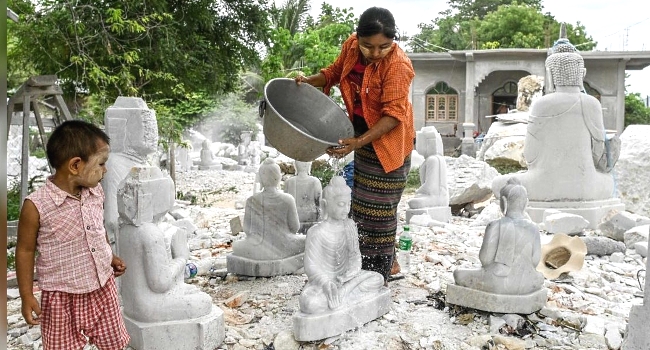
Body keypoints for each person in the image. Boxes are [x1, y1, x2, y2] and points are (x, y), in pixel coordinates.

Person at [296, 6, 415, 281]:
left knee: (380, 212)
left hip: (389, 145)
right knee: (360, 205)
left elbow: (393, 116)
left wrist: (357, 142)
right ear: (357, 38)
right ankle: (368, 266)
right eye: (368, 46)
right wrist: (307, 81)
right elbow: (335, 72)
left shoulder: (398, 66)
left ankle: (377, 275)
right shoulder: (351, 46)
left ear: (393, 41)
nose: (375, 53)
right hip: (362, 138)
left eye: (383, 47)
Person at [15, 120, 130, 349]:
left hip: (102, 289)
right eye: (101, 164)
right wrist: (26, 295)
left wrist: (109, 256)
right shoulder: (36, 206)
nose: (105, 170)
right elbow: (25, 250)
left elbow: (97, 228)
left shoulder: (95, 192)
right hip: (61, 298)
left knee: (114, 344)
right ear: (76, 165)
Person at [299, 176, 385, 313]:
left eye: (348, 204)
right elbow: (311, 267)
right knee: (310, 303)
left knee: (378, 279)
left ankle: (341, 298)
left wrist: (351, 273)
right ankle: (343, 298)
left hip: (346, 280)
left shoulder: (350, 226)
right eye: (340, 204)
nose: (346, 209)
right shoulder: (316, 232)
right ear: (325, 204)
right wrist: (326, 283)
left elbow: (355, 256)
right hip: (325, 284)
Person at [453, 178, 544, 295]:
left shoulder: (495, 225)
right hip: (526, 283)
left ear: (504, 202)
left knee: (458, 274)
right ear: (526, 203)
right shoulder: (534, 228)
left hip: (498, 282)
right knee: (540, 278)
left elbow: (485, 260)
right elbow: (535, 262)